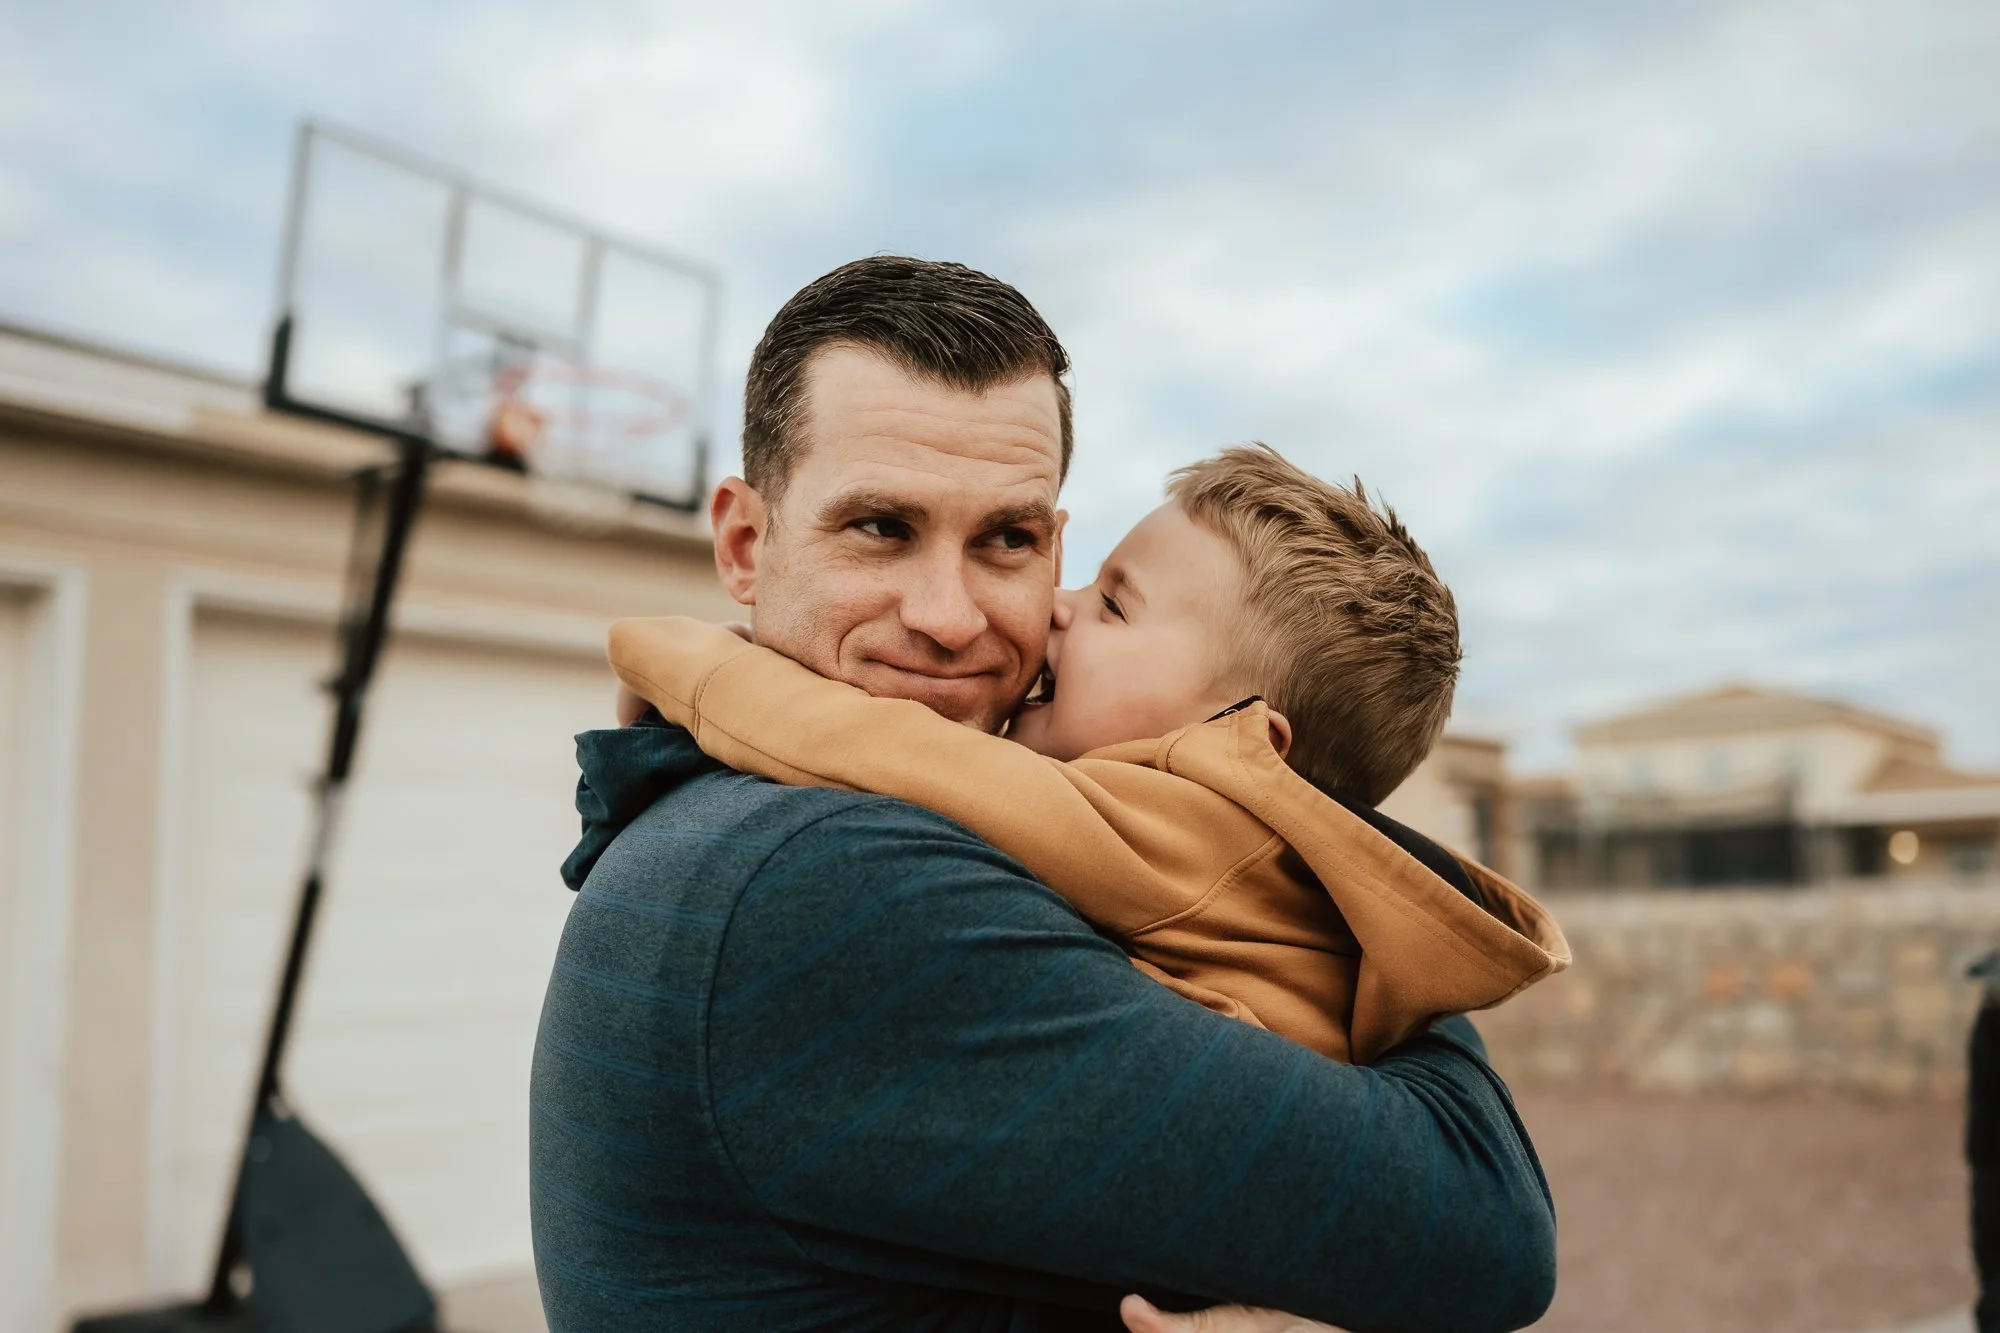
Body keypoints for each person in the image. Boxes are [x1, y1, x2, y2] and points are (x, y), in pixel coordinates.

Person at [529, 256, 1558, 1332]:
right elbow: (1478, 1221)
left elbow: (1455, 1223)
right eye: (881, 526)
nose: (950, 616)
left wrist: (689, 677)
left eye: (1007, 540)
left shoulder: (928, 825)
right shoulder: (825, 879)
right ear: (744, 543)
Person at [605, 445, 1570, 1066]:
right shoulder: (1270, 862)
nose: (1060, 608)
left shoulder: (1189, 824)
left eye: (1113, 603)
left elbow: (880, 749)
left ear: (1245, 743)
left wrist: (682, 660)